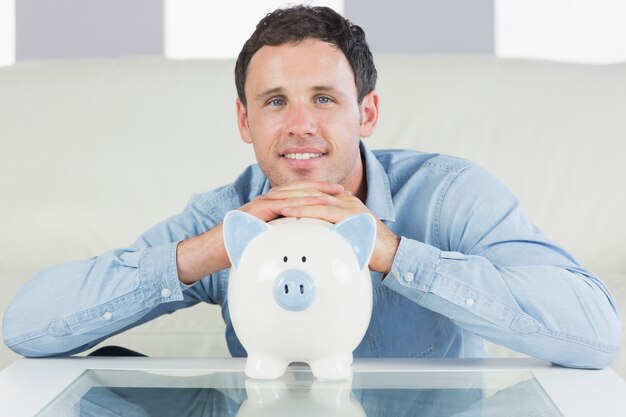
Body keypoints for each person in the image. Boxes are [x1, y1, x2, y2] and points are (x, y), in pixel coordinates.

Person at [3, 5, 621, 369]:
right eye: (275, 102)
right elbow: (28, 325)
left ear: (367, 113)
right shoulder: (226, 215)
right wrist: (207, 254)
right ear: (245, 121)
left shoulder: (449, 194)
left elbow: (596, 331)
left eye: (324, 98)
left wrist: (389, 251)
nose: (300, 126)